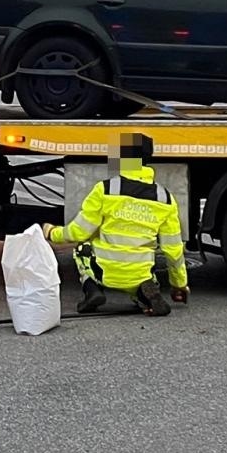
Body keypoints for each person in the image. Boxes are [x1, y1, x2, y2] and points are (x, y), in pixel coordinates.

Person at [42, 133, 188, 316]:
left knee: (81, 249)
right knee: (146, 270)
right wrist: (179, 284)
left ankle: (92, 289)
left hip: (104, 271)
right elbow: (173, 250)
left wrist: (52, 233)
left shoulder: (105, 189)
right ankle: (143, 292)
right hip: (139, 273)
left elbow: (78, 232)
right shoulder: (165, 198)